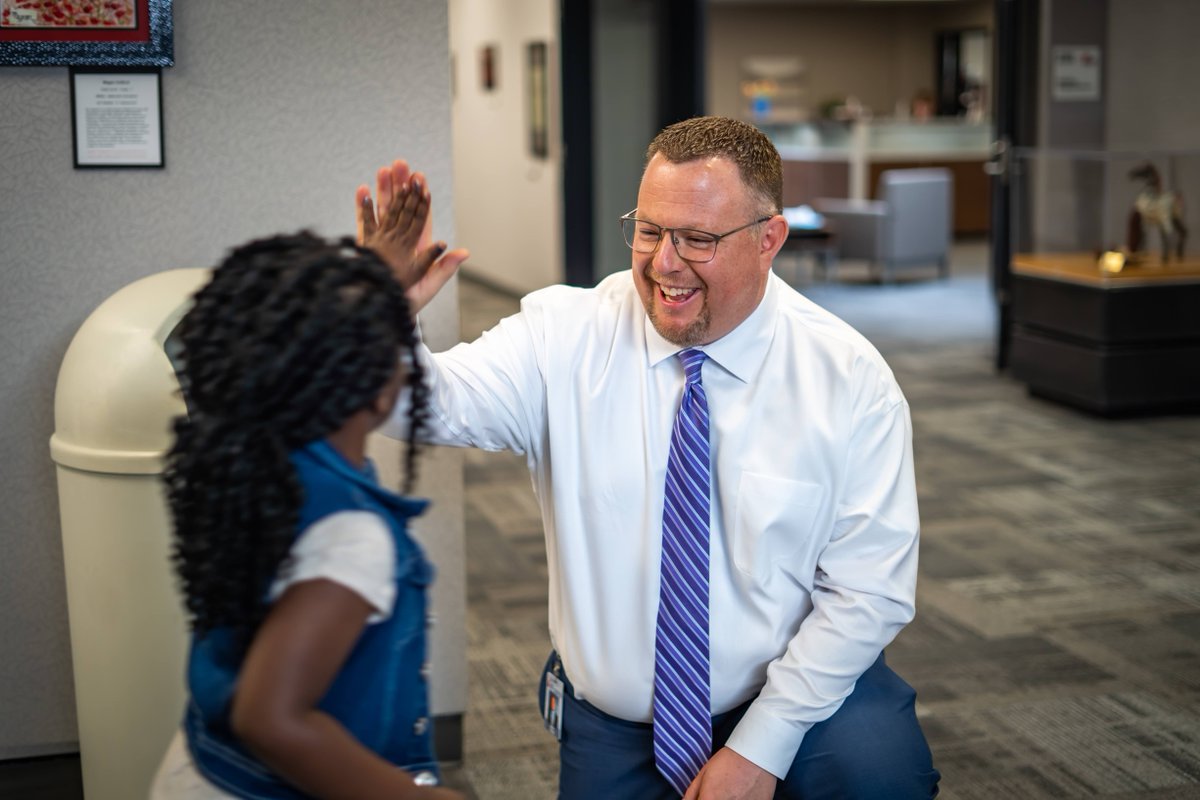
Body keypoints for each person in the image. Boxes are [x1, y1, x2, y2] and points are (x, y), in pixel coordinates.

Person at [361, 116, 940, 800]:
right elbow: (423, 407)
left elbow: (868, 591)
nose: (664, 263)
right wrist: (377, 313)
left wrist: (761, 748)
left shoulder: (846, 378)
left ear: (769, 240)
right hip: (620, 717)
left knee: (884, 778)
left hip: (797, 693)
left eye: (698, 239)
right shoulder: (565, 336)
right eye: (648, 230)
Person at [151, 228, 464, 799]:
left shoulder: (261, 465)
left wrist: (371, 294)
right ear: (374, 389)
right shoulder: (353, 536)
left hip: (203, 768)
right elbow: (272, 720)